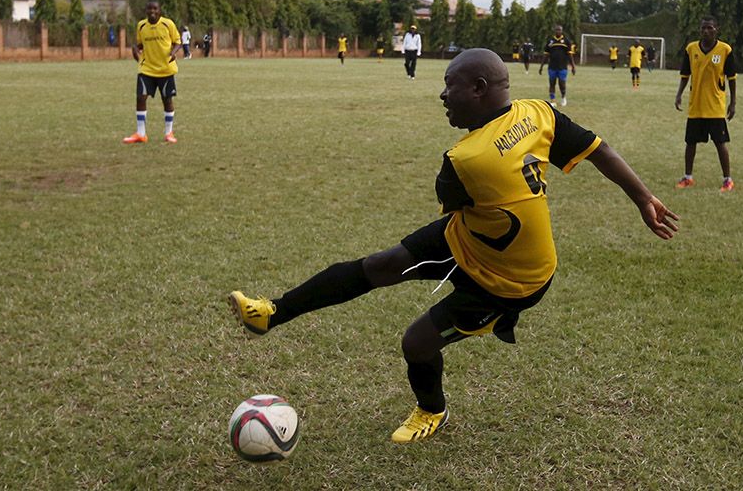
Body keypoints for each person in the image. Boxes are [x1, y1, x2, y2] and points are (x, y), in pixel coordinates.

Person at [227, 48, 679, 444]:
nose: (443, 95)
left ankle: (432, 410)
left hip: (512, 280)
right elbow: (599, 148)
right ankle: (270, 314)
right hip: (470, 236)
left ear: (479, 88)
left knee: (417, 342)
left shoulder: (465, 160)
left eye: (450, 85)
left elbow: (456, 198)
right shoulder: (537, 113)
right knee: (381, 265)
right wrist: (644, 198)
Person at [675, 16, 738, 192]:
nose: (706, 31)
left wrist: (732, 103)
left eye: (710, 28)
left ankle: (727, 180)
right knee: (690, 143)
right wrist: (679, 94)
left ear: (716, 29)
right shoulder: (691, 49)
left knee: (720, 143)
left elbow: (732, 78)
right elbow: (685, 75)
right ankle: (688, 177)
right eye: (703, 28)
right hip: (696, 106)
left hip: (715, 107)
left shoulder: (725, 50)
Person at [123, 0, 182, 144]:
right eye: (150, 9)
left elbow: (178, 42)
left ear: (159, 10)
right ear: (146, 11)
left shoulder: (168, 24)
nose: (152, 11)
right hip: (147, 69)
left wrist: (173, 53)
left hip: (165, 69)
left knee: (167, 100)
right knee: (140, 98)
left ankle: (169, 133)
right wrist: (135, 50)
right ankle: (141, 134)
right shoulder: (141, 26)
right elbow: (139, 44)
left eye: (155, 9)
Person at [538, 25, 575, 107]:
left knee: (562, 83)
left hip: (562, 67)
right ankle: (552, 100)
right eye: (557, 30)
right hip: (552, 67)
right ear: (554, 31)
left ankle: (563, 98)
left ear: (562, 31)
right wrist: (541, 67)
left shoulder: (566, 41)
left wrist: (573, 66)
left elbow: (570, 55)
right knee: (552, 83)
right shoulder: (550, 41)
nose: (558, 31)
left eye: (560, 30)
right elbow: (545, 55)